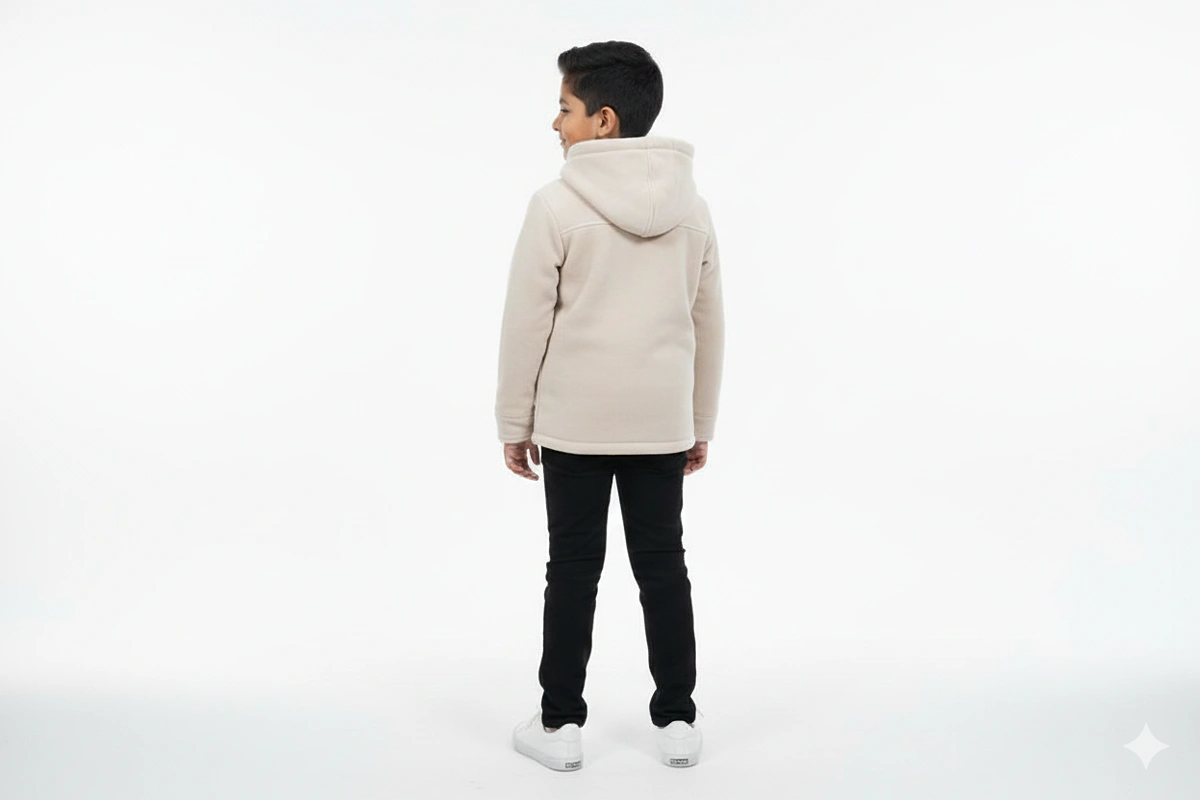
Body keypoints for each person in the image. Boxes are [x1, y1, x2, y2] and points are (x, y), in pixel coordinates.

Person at [495, 40, 725, 771]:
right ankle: (678, 722)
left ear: (603, 120)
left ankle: (560, 725)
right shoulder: (693, 208)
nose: (554, 122)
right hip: (660, 421)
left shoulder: (556, 205)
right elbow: (707, 323)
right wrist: (699, 422)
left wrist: (515, 422)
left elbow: (526, 321)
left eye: (564, 108)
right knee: (664, 567)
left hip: (577, 422)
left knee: (572, 569)